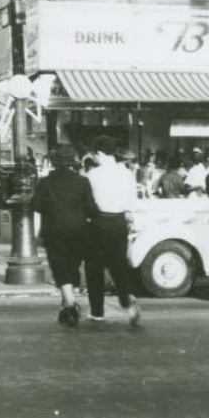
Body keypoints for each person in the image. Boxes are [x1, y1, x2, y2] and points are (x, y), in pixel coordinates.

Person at [32, 146, 98, 327]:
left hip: (54, 230)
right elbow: (91, 208)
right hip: (78, 230)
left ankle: (70, 303)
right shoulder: (82, 182)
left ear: (54, 162)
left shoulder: (45, 182)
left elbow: (36, 205)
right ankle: (66, 307)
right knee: (72, 265)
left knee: (59, 266)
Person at [85, 135, 141, 324]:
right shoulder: (126, 174)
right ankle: (127, 300)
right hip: (119, 223)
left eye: (95, 154)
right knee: (119, 266)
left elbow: (87, 202)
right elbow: (131, 202)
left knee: (94, 268)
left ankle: (97, 311)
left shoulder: (92, 175)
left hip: (98, 223)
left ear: (100, 153)